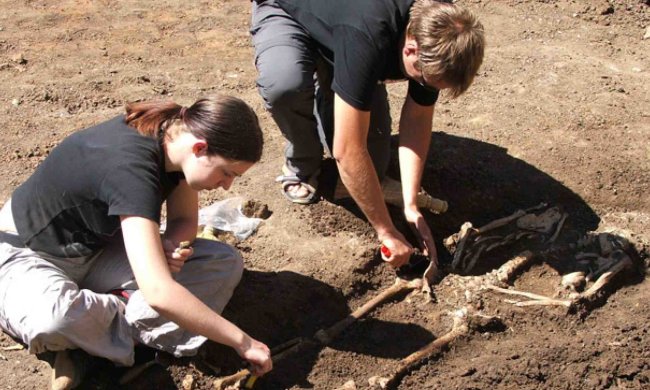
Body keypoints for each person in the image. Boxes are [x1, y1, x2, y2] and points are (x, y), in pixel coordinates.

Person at [0, 95, 273, 389]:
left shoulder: (175, 139)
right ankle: (104, 335)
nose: (227, 185)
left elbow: (183, 222)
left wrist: (172, 245)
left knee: (222, 262)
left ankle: (90, 340)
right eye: (227, 173)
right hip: (29, 253)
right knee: (54, 320)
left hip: (99, 247)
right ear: (200, 148)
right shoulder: (131, 169)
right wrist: (242, 341)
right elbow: (157, 292)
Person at [250, 0, 485, 270]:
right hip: (289, 9)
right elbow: (348, 152)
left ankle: (341, 80)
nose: (426, 88)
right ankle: (302, 162)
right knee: (285, 84)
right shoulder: (368, 34)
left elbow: (418, 116)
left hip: (349, 30)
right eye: (424, 81)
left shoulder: (441, 27)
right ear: (410, 49)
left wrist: (410, 204)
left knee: (371, 167)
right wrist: (385, 230)